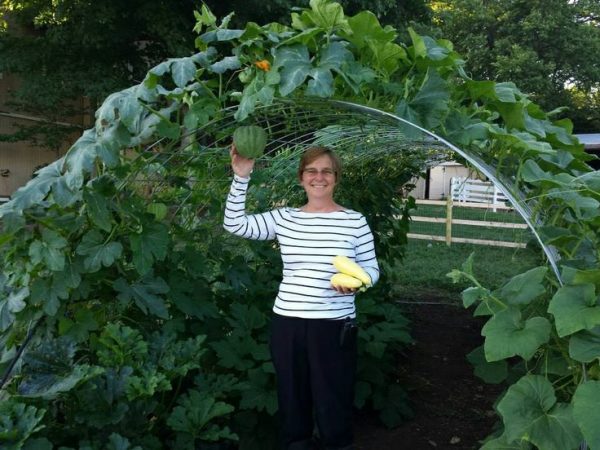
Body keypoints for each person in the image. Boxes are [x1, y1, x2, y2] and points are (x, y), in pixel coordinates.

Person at [223, 145, 380, 450]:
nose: (318, 177)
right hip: (288, 323)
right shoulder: (284, 219)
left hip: (334, 325)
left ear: (336, 178)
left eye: (326, 171)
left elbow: (372, 268)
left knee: (333, 398)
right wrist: (241, 177)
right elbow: (234, 224)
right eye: (312, 171)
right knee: (292, 398)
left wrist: (359, 284)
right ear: (301, 177)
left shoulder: (354, 221)